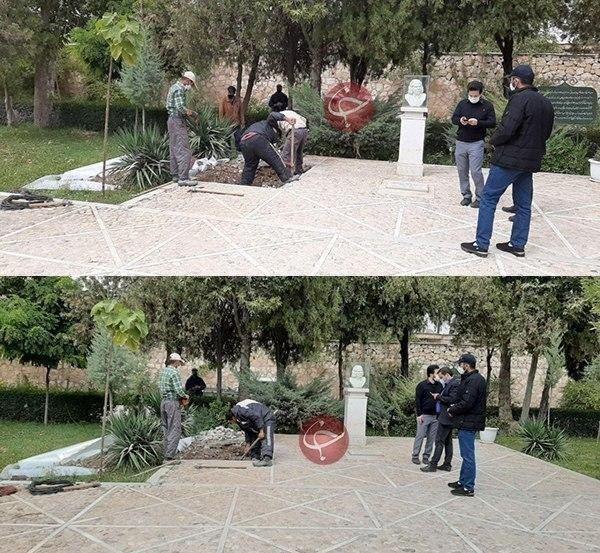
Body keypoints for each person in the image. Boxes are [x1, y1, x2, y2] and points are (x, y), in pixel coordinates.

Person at [461, 65, 555, 258]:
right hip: (529, 162)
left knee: (488, 199)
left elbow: (507, 129)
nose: (511, 83)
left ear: (516, 81)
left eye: (512, 80)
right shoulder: (546, 103)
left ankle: (481, 244)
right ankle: (517, 245)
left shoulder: (519, 99)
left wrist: (492, 141)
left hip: (509, 160)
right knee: (523, 205)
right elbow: (546, 133)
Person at [451, 81, 497, 209]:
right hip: (461, 141)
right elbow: (454, 118)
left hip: (476, 143)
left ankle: (480, 197)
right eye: (471, 95)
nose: (473, 97)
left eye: (475, 96)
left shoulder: (487, 106)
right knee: (462, 170)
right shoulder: (462, 104)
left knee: (476, 171)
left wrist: (478, 122)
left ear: (481, 94)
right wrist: (460, 121)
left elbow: (492, 122)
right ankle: (466, 195)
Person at [447, 353, 487, 497]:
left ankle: (468, 487)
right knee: (465, 455)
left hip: (469, 422)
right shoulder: (471, 379)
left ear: (467, 365)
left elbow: (467, 402)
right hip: (466, 421)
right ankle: (462, 481)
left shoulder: (475, 380)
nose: (460, 366)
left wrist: (452, 409)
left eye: (461, 364)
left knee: (468, 455)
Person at [239, 112, 300, 186]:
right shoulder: (270, 123)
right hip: (257, 138)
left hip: (244, 142)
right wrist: (287, 119)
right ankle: (287, 177)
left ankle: (245, 185)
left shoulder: (260, 126)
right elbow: (272, 115)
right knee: (275, 157)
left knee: (250, 165)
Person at [420, 366, 460, 473]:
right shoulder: (450, 384)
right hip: (446, 417)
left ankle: (433, 465)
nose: (441, 379)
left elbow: (452, 399)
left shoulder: (454, 384)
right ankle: (447, 464)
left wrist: (438, 397)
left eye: (442, 377)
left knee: (439, 441)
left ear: (447, 374)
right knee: (447, 442)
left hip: (446, 418)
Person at [166, 71, 199, 187]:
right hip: (177, 121)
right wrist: (193, 114)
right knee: (183, 149)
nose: (190, 86)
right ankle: (183, 178)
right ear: (188, 80)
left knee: (174, 147)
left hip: (171, 120)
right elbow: (180, 107)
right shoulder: (179, 89)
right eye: (191, 83)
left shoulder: (173, 87)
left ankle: (175, 175)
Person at [158, 353, 189, 461]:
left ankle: (165, 453)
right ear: (176, 361)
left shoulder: (164, 371)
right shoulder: (174, 372)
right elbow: (178, 390)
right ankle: (169, 456)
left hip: (163, 402)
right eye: (179, 362)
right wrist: (185, 396)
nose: (179, 364)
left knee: (166, 428)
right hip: (172, 403)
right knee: (175, 429)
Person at [228, 399, 276, 467]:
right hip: (257, 420)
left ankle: (267, 459)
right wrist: (248, 444)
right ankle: (255, 457)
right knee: (253, 434)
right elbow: (247, 430)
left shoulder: (240, 411)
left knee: (266, 436)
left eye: (231, 422)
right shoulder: (238, 418)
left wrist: (261, 430)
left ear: (233, 418)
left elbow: (256, 416)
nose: (232, 424)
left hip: (266, 417)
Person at [411, 365, 443, 465]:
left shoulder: (440, 385)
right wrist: (419, 415)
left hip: (436, 416)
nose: (439, 374)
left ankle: (426, 456)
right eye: (437, 372)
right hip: (424, 415)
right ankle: (415, 456)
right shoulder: (421, 385)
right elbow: (417, 400)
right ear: (431, 373)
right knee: (420, 436)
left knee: (431, 438)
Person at [278, 109, 309, 175]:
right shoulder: (290, 112)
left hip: (294, 131)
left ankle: (287, 174)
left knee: (286, 154)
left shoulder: (277, 117)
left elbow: (279, 132)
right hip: (304, 130)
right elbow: (304, 119)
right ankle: (299, 170)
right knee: (298, 152)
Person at [219, 86, 244, 151]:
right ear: (228, 92)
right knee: (227, 137)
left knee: (238, 137)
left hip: (236, 123)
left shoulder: (238, 100)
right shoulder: (224, 100)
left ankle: (239, 150)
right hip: (227, 123)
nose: (230, 94)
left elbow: (241, 112)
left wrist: (242, 122)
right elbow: (221, 112)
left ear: (234, 93)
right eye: (229, 92)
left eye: (232, 93)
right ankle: (228, 150)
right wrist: (221, 123)